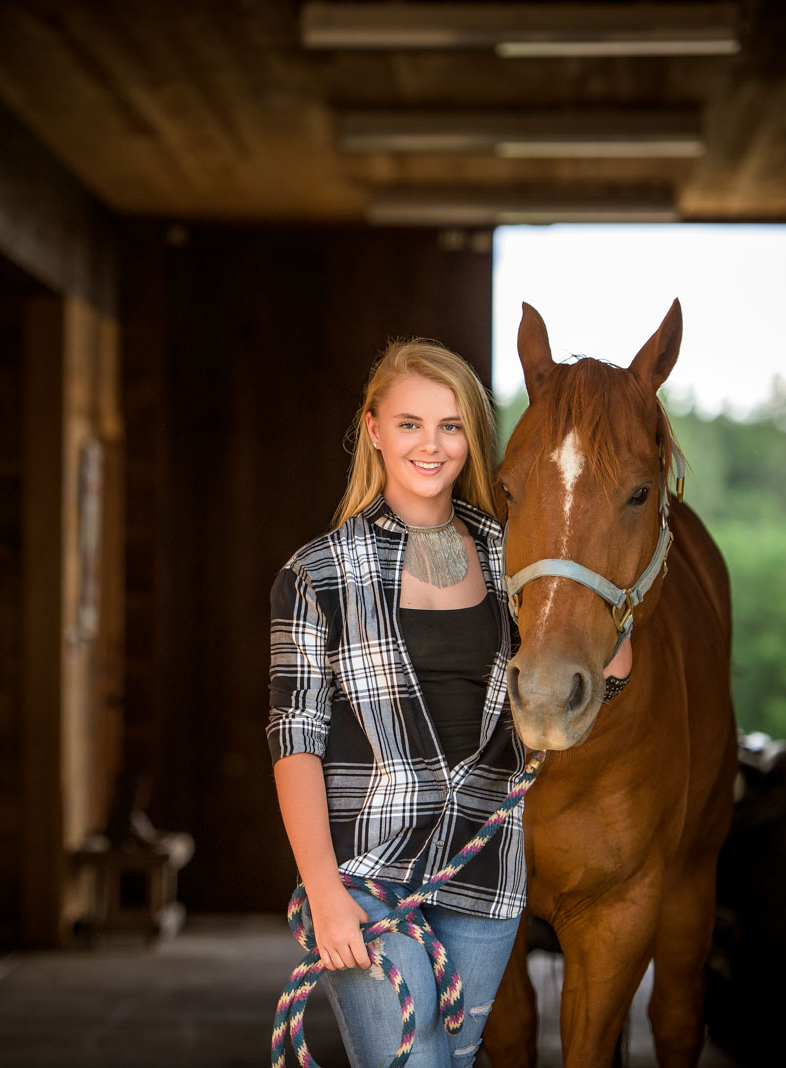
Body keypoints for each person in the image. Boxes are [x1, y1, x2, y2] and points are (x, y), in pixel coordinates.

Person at [267, 339, 629, 1066]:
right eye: (410, 424)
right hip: (365, 873)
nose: (431, 445)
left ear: (473, 436)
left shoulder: (513, 555)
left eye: (451, 425)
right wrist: (324, 893)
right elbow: (294, 738)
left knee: (456, 1062)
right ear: (374, 430)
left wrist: (611, 581)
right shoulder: (316, 573)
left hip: (484, 872)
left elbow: (607, 672)